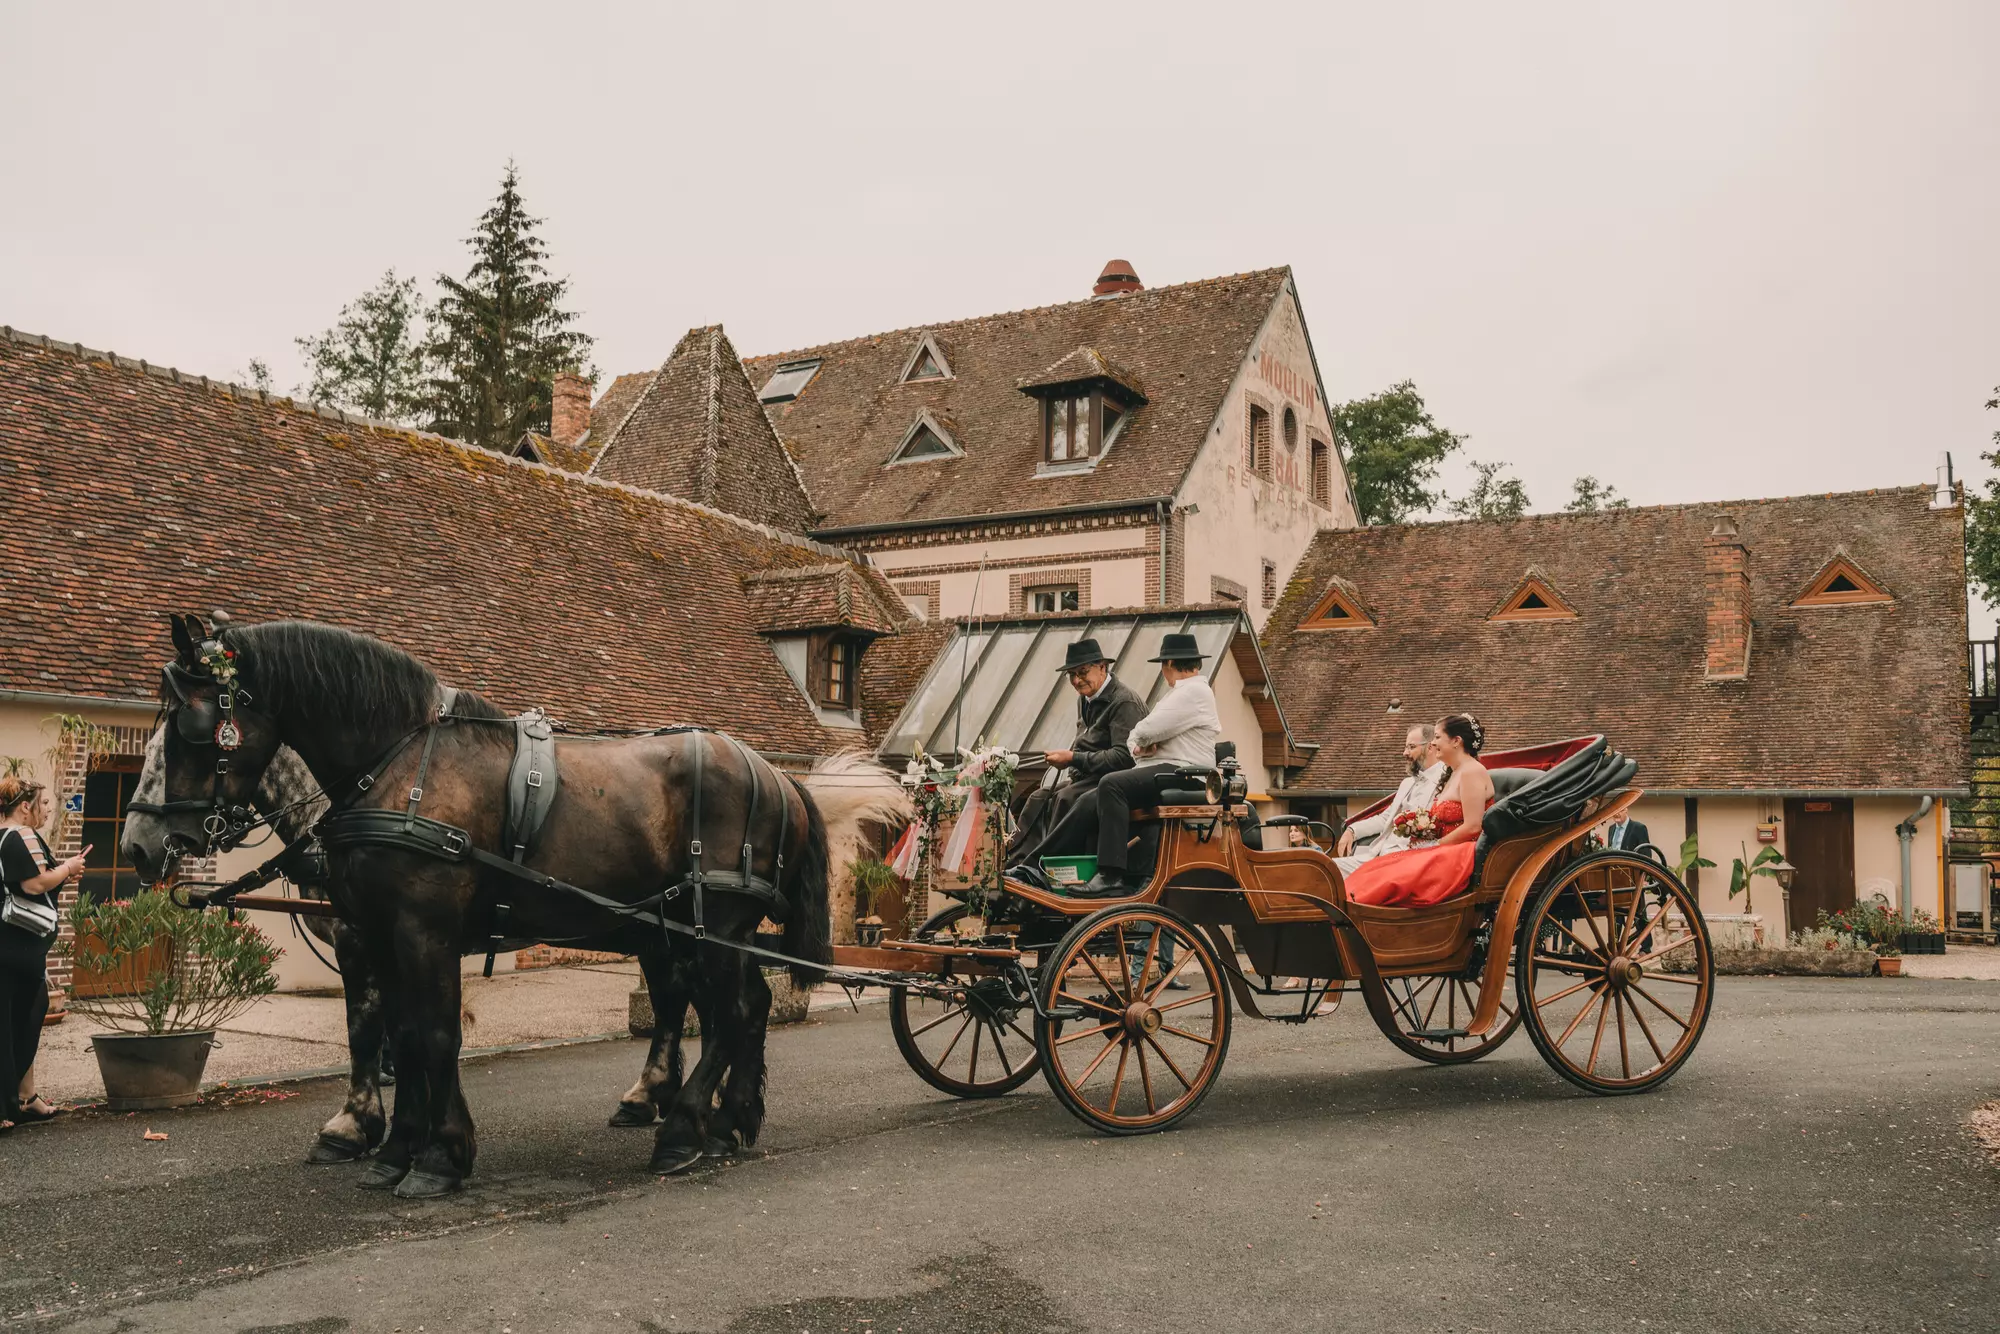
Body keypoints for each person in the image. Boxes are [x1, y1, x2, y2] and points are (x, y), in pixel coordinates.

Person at [1074, 633, 1222, 897]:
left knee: (1111, 785)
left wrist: (1143, 742)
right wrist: (1140, 743)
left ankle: (1111, 874)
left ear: (1169, 665)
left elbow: (1143, 730)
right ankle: (1104, 866)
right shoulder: (1183, 693)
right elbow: (1136, 738)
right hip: (1174, 770)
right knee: (1098, 794)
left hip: (1184, 772)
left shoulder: (1192, 691)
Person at [1005, 638, 1148, 868]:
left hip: (1114, 781)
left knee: (1065, 798)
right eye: (1071, 674)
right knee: (1038, 798)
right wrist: (1069, 758)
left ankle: (1046, 868)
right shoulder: (1084, 699)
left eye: (1082, 672)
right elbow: (1085, 742)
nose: (1076, 680)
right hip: (1087, 776)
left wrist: (1073, 758)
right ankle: (1016, 864)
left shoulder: (1124, 702)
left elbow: (1124, 758)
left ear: (1102, 667)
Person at [1, 776, 84, 1132]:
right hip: (17, 945)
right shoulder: (20, 834)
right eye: (43, 803)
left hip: (8, 945)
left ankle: (25, 1096)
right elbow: (33, 883)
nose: (47, 810)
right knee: (22, 1016)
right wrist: (68, 868)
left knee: (19, 1015)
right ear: (24, 806)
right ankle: (11, 1103)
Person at [1343, 715, 1493, 909]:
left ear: (1456, 741)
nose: (1433, 743)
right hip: (1442, 849)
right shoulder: (1453, 773)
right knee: (1377, 868)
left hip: (1459, 852)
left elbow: (1473, 826)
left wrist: (1434, 845)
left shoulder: (1472, 771)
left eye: (1437, 737)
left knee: (1392, 876)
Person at [1334, 724, 1448, 876]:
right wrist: (1352, 830)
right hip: (1378, 854)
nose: (1404, 753)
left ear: (1430, 747)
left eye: (1411, 747)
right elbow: (1385, 819)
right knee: (1328, 869)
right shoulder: (1407, 783)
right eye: (1405, 747)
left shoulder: (1446, 780)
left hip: (1408, 861)